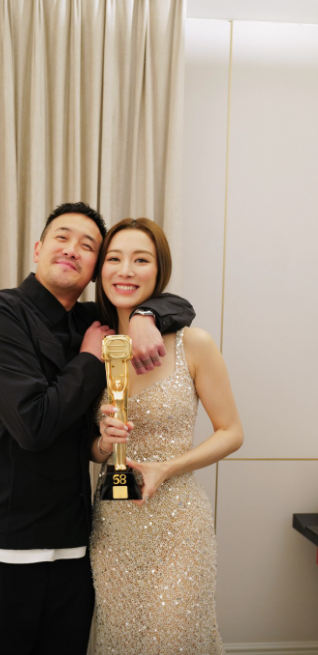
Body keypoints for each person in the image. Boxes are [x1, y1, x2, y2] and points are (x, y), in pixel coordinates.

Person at [0, 203, 195, 655]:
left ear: (95, 269)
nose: (71, 249)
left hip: (74, 548)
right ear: (38, 249)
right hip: (1, 547)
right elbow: (34, 425)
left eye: (87, 246)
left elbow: (180, 305)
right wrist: (88, 359)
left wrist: (146, 316)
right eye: (62, 237)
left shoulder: (90, 321)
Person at [90, 218, 243, 655]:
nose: (125, 270)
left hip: (178, 527)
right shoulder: (92, 345)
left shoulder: (193, 343)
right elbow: (90, 449)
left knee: (175, 640)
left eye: (141, 260)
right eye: (114, 259)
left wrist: (167, 468)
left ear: (159, 272)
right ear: (101, 270)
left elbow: (232, 432)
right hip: (113, 528)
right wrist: (103, 443)